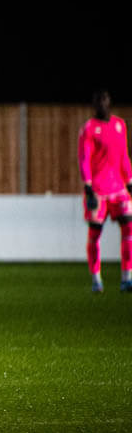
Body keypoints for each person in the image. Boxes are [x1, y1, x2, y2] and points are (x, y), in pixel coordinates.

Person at [78, 89, 132, 293]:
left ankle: (127, 278)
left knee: (129, 228)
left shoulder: (119, 125)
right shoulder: (89, 129)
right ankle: (96, 279)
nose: (102, 104)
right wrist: (88, 185)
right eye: (98, 101)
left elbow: (124, 156)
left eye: (104, 100)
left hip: (118, 189)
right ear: (94, 105)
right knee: (95, 233)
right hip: (98, 190)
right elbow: (84, 158)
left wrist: (129, 180)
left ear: (109, 103)